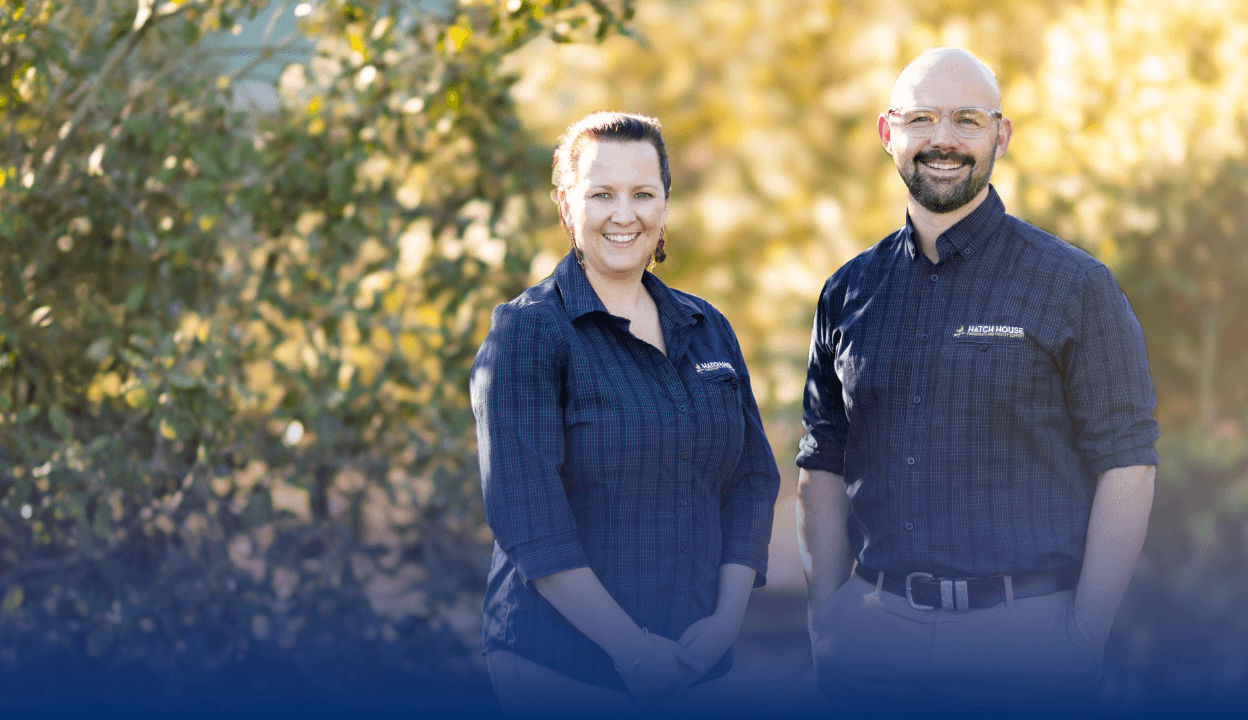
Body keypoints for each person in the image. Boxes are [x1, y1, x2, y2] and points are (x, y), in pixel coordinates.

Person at [795, 48, 1159, 710]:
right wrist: (827, 615)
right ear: (888, 134)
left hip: (1026, 642)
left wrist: (1084, 638)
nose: (943, 140)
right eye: (922, 119)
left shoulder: (1074, 285)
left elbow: (1128, 463)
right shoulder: (847, 292)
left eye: (967, 120)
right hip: (873, 642)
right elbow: (822, 457)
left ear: (1001, 134)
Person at [470, 111, 780, 713]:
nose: (624, 213)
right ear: (565, 202)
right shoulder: (529, 332)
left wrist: (723, 623)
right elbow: (528, 517)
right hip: (562, 667)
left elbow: (752, 481)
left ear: (665, 202)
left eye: (643, 193)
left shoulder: (706, 326)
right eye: (601, 194)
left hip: (695, 663)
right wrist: (631, 651)